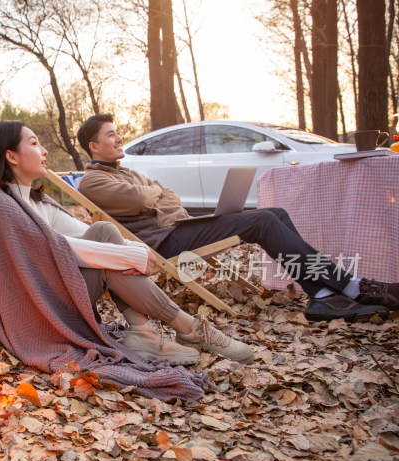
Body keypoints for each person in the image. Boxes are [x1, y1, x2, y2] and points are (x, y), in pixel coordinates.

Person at [0, 121, 253, 401]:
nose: (44, 151)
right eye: (34, 143)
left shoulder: (37, 201)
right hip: (36, 311)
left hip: (59, 291)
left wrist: (134, 249)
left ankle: (145, 333)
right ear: (11, 156)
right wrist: (129, 255)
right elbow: (57, 248)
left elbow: (84, 235)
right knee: (109, 251)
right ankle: (188, 329)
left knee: (105, 231)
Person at [76, 114, 399, 322]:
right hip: (163, 241)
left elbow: (167, 193)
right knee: (262, 222)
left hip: (179, 228)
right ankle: (351, 287)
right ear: (94, 145)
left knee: (275, 213)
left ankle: (323, 295)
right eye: (111, 135)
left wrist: (155, 194)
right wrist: (153, 194)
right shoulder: (94, 181)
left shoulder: (128, 171)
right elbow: (144, 197)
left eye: (118, 133)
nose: (119, 138)